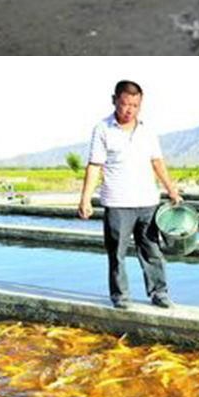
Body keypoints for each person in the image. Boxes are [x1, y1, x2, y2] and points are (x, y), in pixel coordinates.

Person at [78, 80, 182, 310]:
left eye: (135, 105)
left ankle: (159, 293)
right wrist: (85, 198)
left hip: (148, 202)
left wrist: (171, 189)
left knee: (152, 250)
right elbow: (94, 165)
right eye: (125, 104)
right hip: (117, 202)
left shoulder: (147, 130)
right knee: (117, 253)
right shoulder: (102, 129)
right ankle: (121, 296)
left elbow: (157, 162)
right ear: (114, 100)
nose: (129, 110)